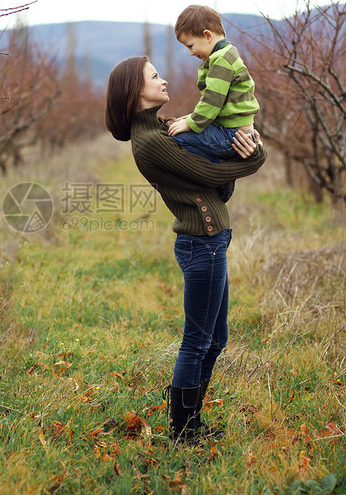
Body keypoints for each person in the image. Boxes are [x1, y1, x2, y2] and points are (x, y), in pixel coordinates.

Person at [105, 56, 266, 444]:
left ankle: (190, 424)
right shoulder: (150, 144)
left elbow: (216, 187)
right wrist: (255, 157)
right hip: (201, 245)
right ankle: (183, 430)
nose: (163, 80)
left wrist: (236, 151)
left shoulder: (165, 130)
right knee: (198, 340)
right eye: (154, 76)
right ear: (134, 91)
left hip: (212, 242)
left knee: (216, 340)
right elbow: (208, 175)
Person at [166, 5, 260, 201]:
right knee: (184, 134)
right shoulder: (226, 55)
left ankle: (218, 177)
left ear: (207, 35)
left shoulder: (221, 60)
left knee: (178, 140)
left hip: (232, 135)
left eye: (190, 46)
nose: (191, 53)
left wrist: (191, 123)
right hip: (236, 132)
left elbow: (212, 101)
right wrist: (191, 118)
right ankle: (219, 176)